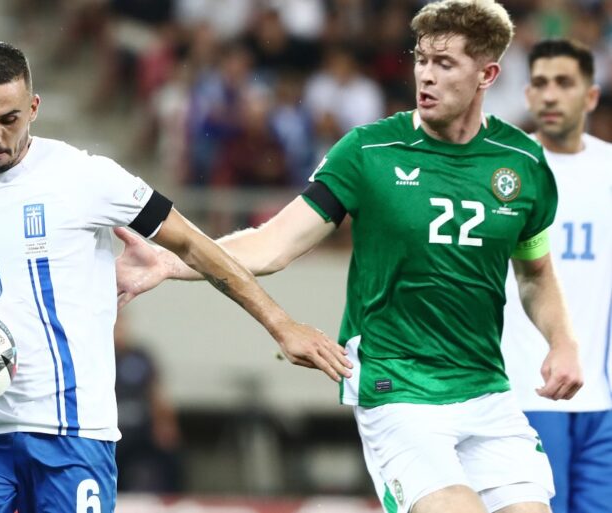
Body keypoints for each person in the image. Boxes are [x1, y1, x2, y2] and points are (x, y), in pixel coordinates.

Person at [0, 40, 349, 513]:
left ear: (33, 108)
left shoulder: (86, 178)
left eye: (9, 119)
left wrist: (281, 324)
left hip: (72, 437)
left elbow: (194, 244)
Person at [115, 1, 585, 512]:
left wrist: (562, 343)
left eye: (445, 64)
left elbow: (535, 273)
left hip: (487, 389)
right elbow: (273, 244)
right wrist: (173, 262)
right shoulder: (368, 152)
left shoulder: (524, 163)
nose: (425, 75)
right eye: (421, 59)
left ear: (487, 75)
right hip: (397, 389)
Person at [501, 39, 612, 513]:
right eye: (540, 84)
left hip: (602, 402)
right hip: (524, 392)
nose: (549, 95)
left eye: (564, 83)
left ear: (590, 96)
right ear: (527, 94)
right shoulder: (505, 169)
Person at [113, 315, 182, 493]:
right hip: (111, 429)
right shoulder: (98, 358)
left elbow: (156, 392)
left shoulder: (140, 356)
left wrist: (165, 424)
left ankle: (170, 498)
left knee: (169, 455)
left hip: (141, 427)